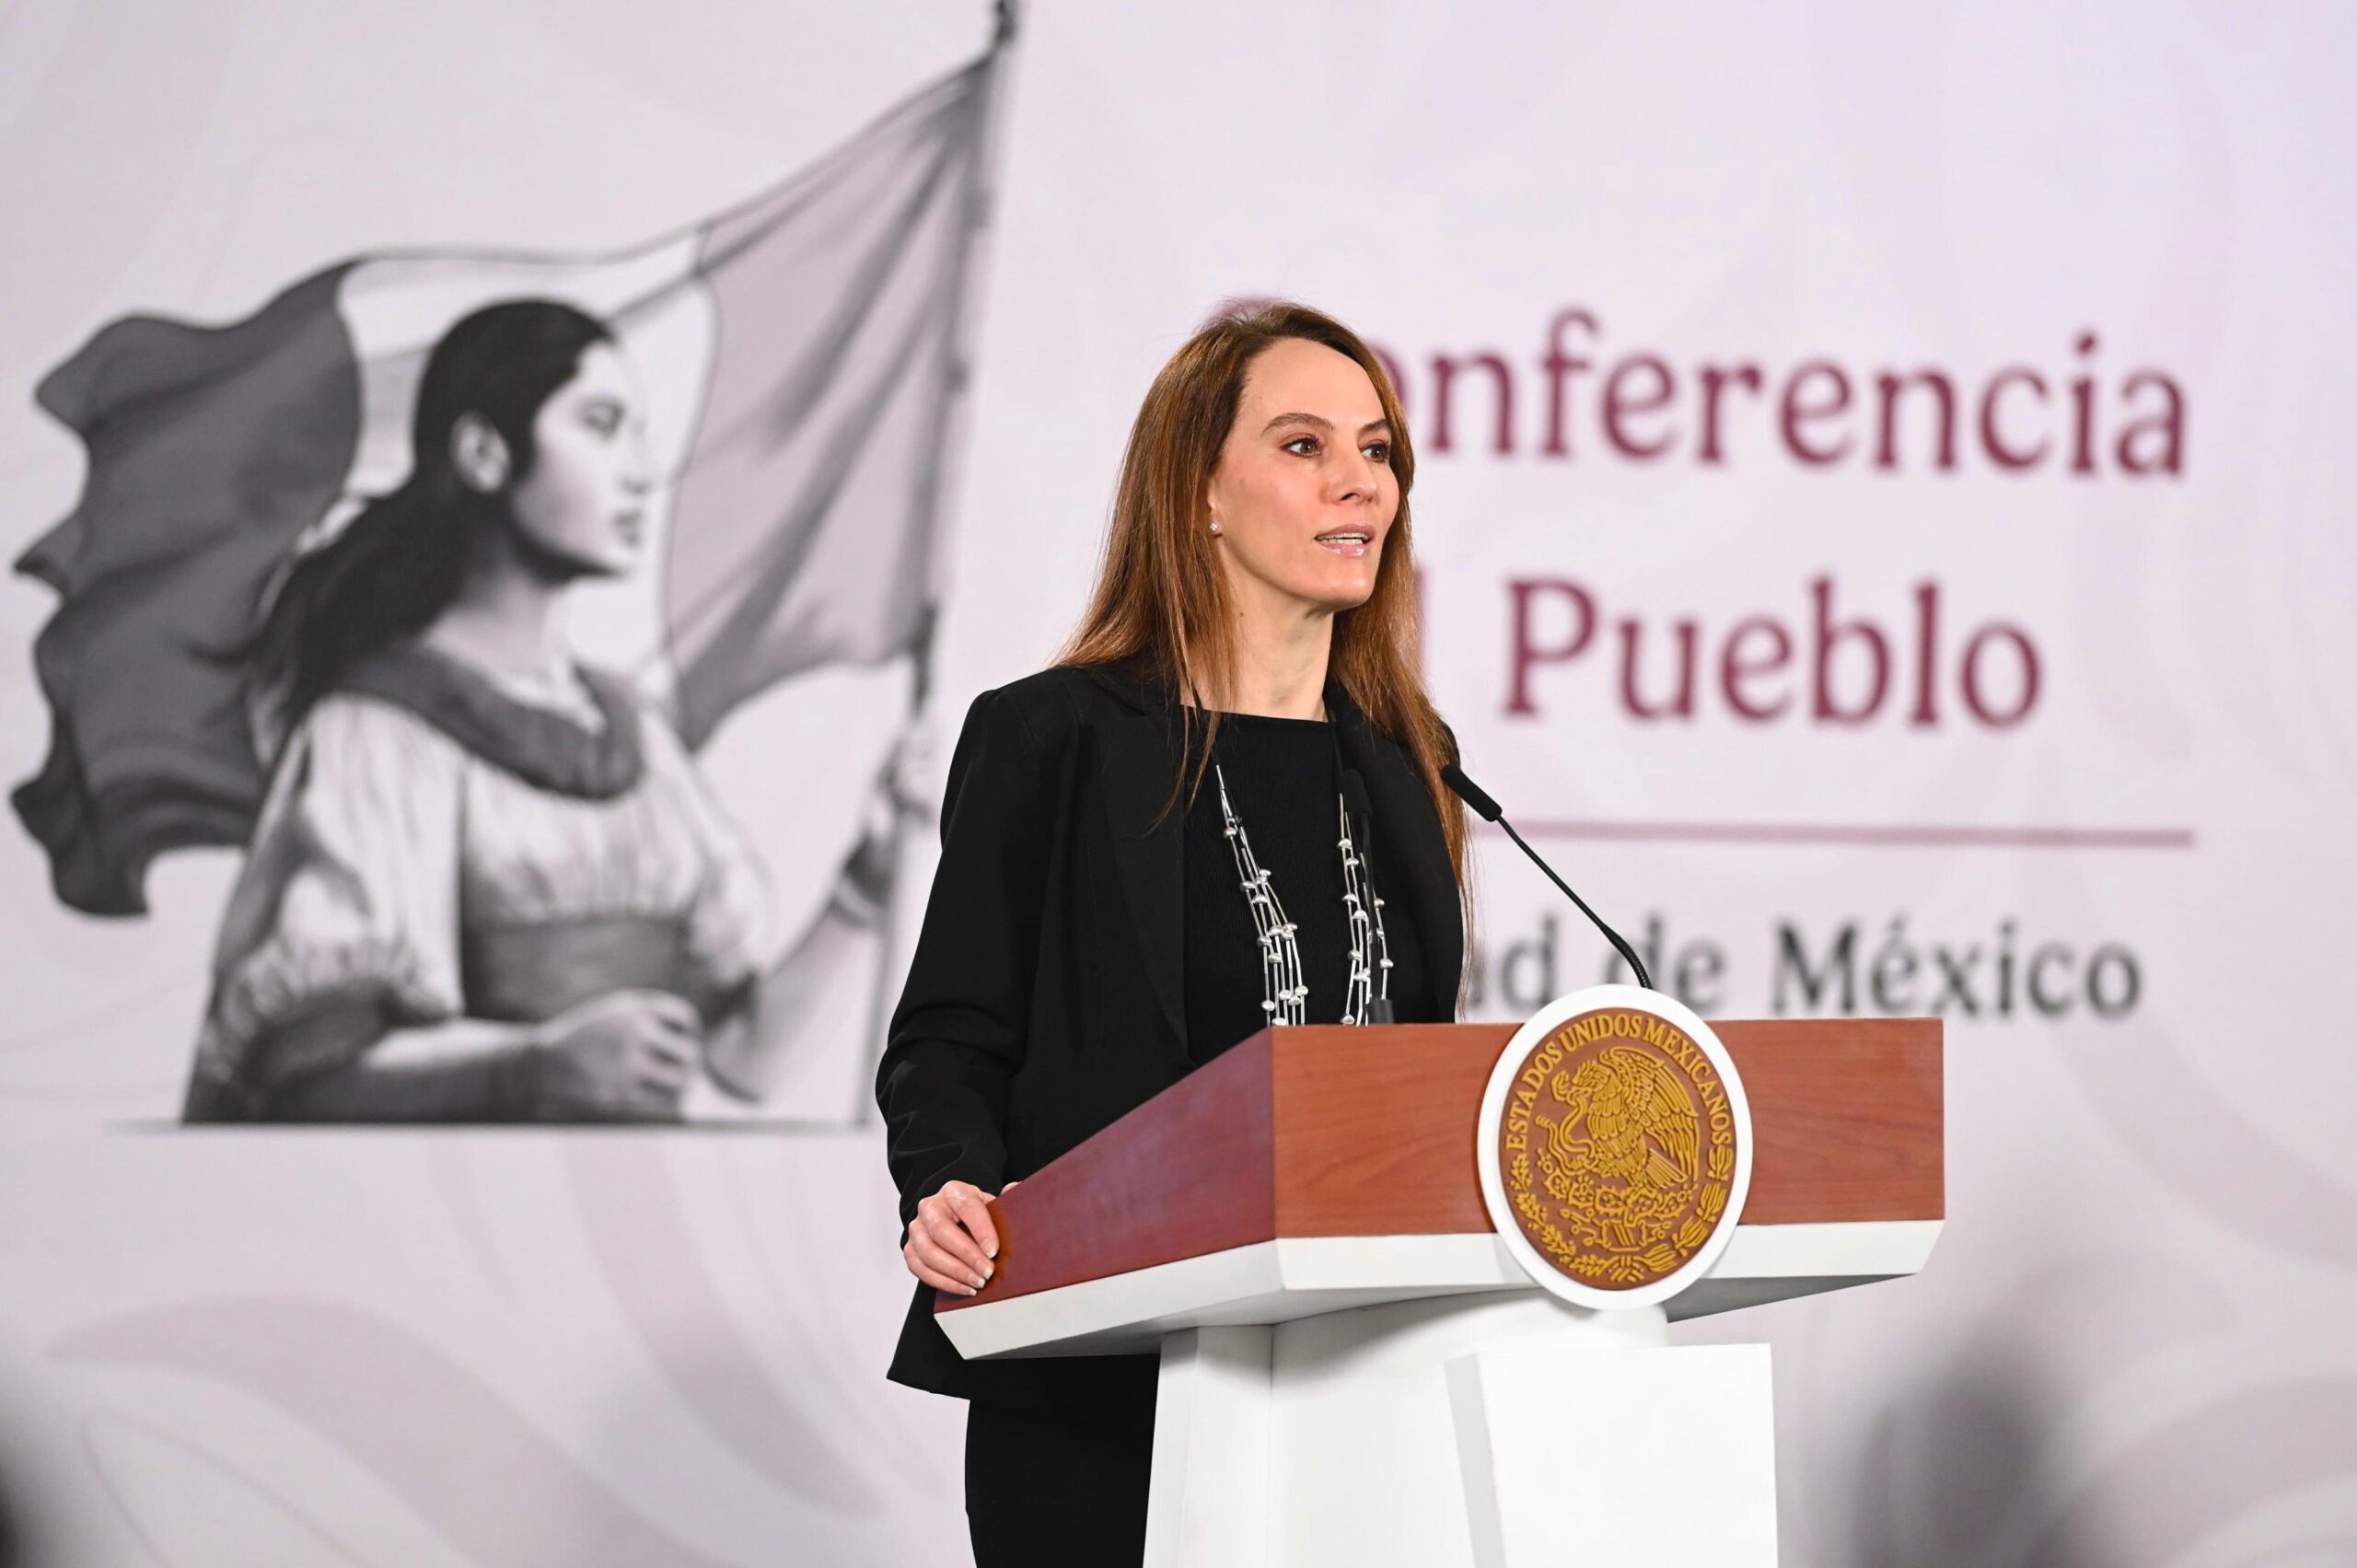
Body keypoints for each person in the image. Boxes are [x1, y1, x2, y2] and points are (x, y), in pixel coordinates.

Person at [877, 300, 1471, 1563]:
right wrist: (948, 1181)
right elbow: (950, 1034)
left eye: (1376, 450)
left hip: (1354, 1384)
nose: (1360, 482)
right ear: (1198, 490)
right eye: (1304, 445)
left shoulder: (1412, 760)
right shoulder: (1057, 737)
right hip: (1100, 1375)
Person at [180, 298, 869, 1121]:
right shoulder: (376, 732)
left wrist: (866, 884)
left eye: (637, 432)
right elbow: (310, 1074)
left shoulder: (636, 737)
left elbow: (741, 1060)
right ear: (484, 452)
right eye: (600, 425)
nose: (639, 471)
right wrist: (533, 1064)